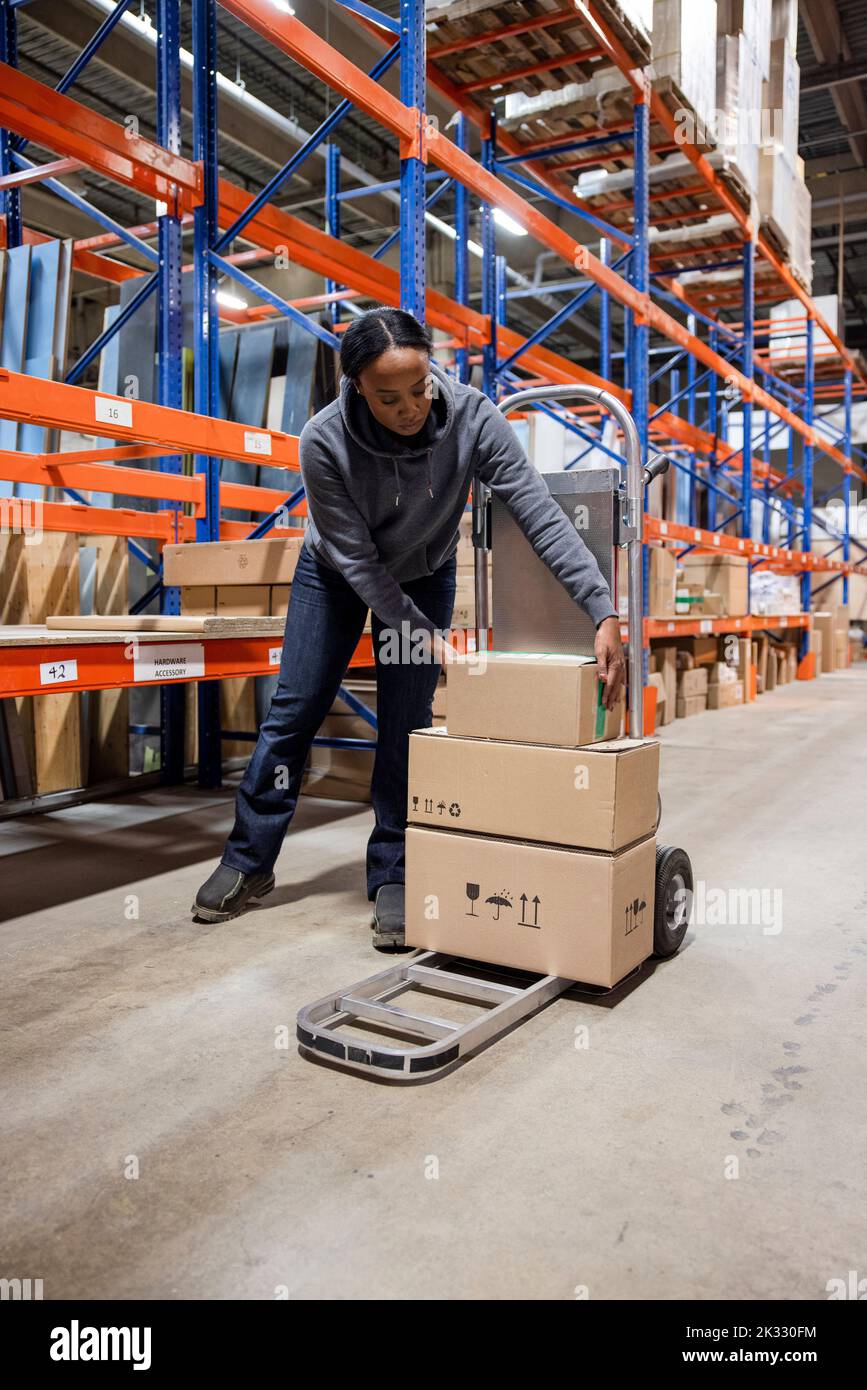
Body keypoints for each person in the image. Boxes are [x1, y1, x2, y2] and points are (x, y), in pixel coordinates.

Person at [194, 307, 625, 949]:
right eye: (388, 396)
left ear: (432, 367)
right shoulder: (324, 440)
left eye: (420, 387)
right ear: (357, 389)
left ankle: (393, 871)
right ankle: (247, 862)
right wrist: (425, 635)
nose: (410, 407)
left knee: (407, 721)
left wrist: (602, 607)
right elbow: (362, 566)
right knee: (295, 708)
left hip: (426, 570)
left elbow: (538, 512)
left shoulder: (474, 416)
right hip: (337, 576)